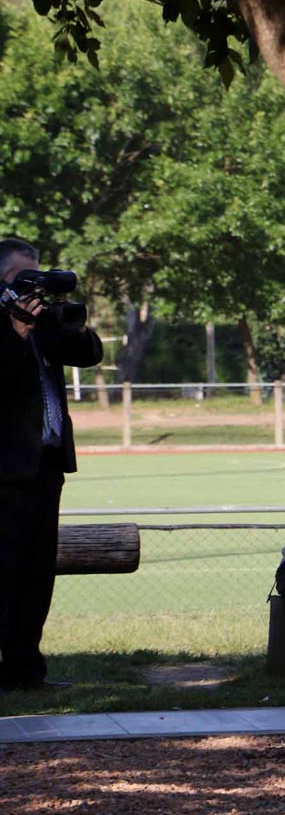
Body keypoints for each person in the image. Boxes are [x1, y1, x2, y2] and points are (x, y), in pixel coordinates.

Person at [0, 237, 102, 692]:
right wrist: (16, 332)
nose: (32, 286)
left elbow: (89, 353)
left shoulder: (43, 320)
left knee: (37, 575)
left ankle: (26, 671)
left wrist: (71, 323)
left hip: (45, 466)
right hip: (3, 471)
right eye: (23, 277)